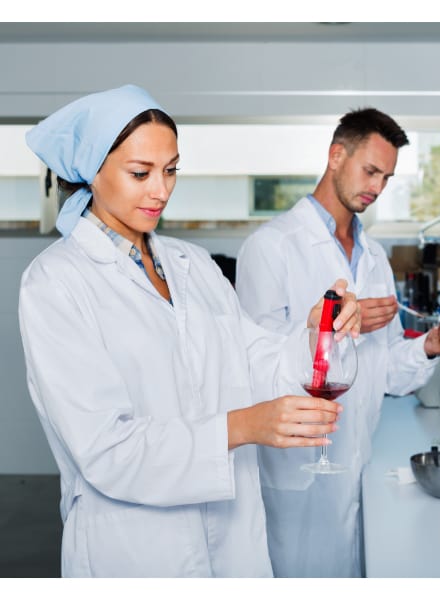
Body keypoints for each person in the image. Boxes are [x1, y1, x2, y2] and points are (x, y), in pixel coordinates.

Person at [18, 84, 361, 577]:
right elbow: (108, 449)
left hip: (234, 543)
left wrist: (318, 333)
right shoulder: (55, 283)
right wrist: (242, 426)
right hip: (133, 550)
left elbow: (253, 361)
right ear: (92, 171)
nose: (161, 190)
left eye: (171, 169)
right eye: (140, 173)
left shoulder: (192, 265)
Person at [236, 107, 440, 577]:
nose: (378, 187)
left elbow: (381, 367)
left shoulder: (374, 257)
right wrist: (339, 329)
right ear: (336, 155)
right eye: (371, 171)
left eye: (387, 177)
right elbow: (257, 367)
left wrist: (426, 348)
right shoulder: (271, 247)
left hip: (355, 457)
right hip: (299, 465)